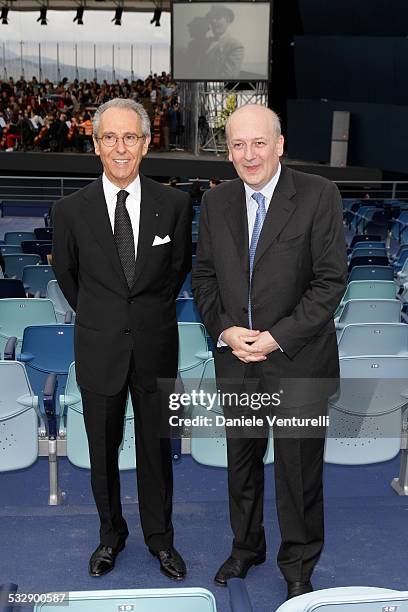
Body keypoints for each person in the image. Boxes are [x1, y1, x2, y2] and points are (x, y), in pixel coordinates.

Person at [192, 104, 347, 601]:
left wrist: (277, 336)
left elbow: (329, 282)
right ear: (229, 152)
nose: (249, 154)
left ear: (279, 145)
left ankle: (298, 563)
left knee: (299, 473)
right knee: (242, 463)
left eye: (259, 143)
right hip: (237, 360)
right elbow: (205, 278)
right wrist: (225, 330)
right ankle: (246, 546)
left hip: (298, 361)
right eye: (238, 145)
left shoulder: (319, 195)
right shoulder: (216, 204)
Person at [52, 98, 191, 580]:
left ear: (147, 143)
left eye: (130, 137)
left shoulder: (174, 205)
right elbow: (70, 279)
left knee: (158, 452)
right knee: (102, 455)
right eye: (109, 137)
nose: (120, 147)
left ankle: (161, 540)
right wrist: (105, 316)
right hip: (99, 348)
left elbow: (176, 273)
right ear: (94, 144)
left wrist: (141, 315)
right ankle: (110, 537)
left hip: (156, 349)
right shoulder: (69, 210)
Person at [203, 5, 244, 79]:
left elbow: (228, 77)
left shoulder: (235, 46)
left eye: (218, 17)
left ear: (228, 21)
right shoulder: (206, 42)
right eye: (211, 18)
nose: (213, 21)